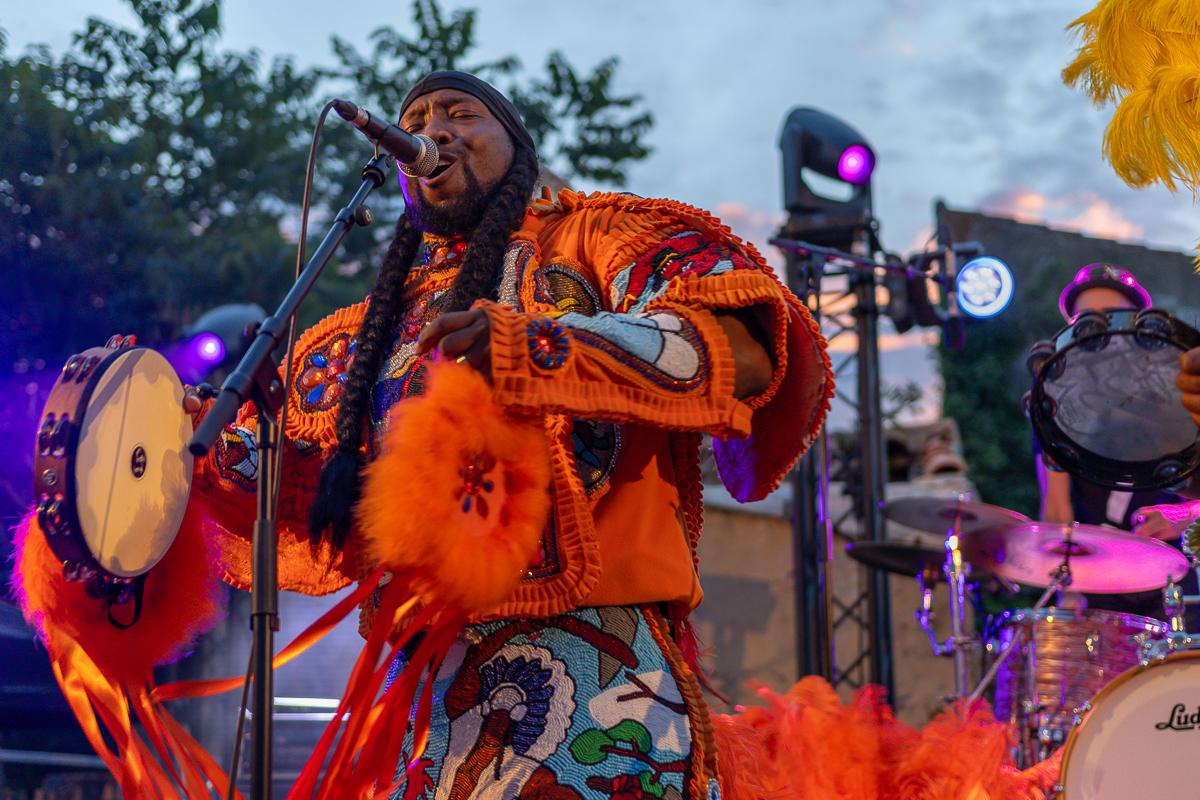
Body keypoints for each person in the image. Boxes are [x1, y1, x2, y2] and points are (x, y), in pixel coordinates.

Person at [188, 70, 832, 797]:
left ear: (517, 146)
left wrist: (542, 349)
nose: (432, 128)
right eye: (418, 117)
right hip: (423, 701)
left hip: (600, 682)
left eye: (460, 113)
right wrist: (169, 440)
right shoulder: (369, 334)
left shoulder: (602, 237)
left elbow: (744, 349)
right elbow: (308, 493)